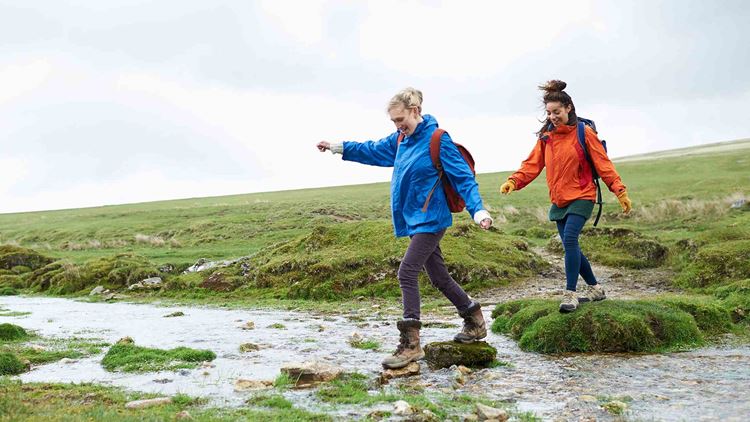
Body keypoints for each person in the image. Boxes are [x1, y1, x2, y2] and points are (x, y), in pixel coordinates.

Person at [316, 87, 493, 369]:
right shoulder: (400, 140)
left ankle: (411, 344)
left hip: (431, 220)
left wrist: (478, 210)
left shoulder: (438, 140)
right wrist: (339, 147)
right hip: (413, 220)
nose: (399, 126)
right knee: (439, 277)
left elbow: (463, 178)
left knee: (406, 272)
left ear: (415, 111)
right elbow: (372, 150)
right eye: (394, 121)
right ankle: (474, 319)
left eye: (401, 119)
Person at [500, 80, 632, 313]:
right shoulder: (546, 137)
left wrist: (619, 191)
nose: (552, 116)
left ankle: (570, 294)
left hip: (582, 194)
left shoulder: (585, 133)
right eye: (549, 113)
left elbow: (604, 164)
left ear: (569, 108)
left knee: (570, 239)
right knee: (571, 246)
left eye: (557, 112)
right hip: (559, 199)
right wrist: (514, 181)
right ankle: (595, 288)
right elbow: (532, 164)